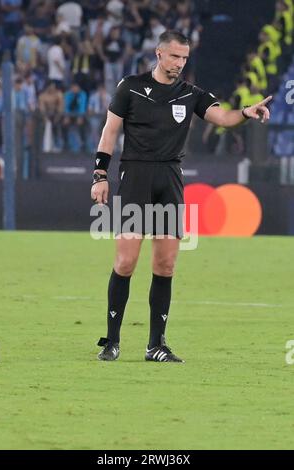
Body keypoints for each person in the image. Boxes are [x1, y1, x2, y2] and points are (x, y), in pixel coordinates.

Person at [91, 30, 272, 363]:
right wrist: (100, 175)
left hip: (170, 179)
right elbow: (109, 132)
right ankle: (111, 341)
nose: (179, 63)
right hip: (136, 176)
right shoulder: (130, 87)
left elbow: (224, 118)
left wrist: (246, 113)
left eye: (184, 57)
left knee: (166, 264)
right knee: (126, 262)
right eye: (174, 56)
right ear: (159, 54)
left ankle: (156, 345)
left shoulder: (191, 94)